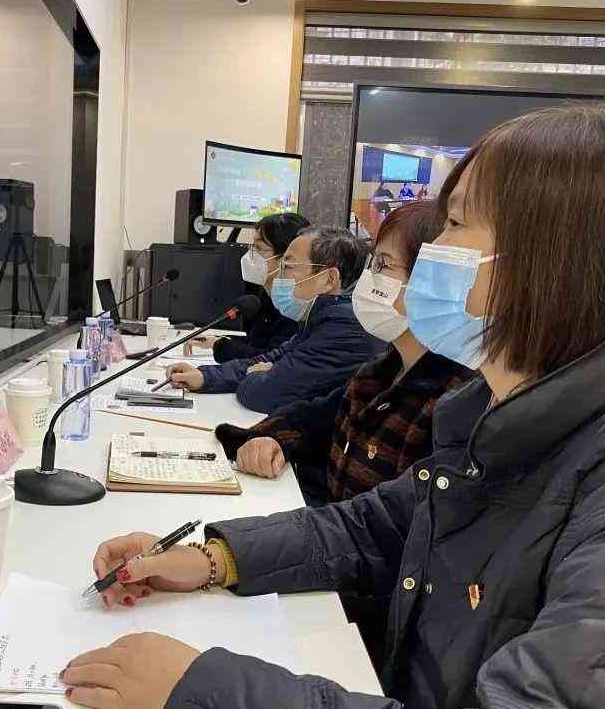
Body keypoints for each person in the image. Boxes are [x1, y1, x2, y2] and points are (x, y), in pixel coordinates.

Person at [62, 98, 605, 709]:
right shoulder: (512, 412)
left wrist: (201, 693)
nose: (433, 253)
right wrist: (211, 559)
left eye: (456, 224)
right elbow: (373, 528)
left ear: (555, 258)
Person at [215, 200, 473, 508]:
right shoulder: (381, 370)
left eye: (384, 265)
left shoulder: (451, 401)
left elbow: (380, 520)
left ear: (433, 282)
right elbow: (314, 416)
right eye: (371, 264)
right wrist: (272, 439)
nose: (369, 278)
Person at [165, 226, 386, 413]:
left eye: (288, 267)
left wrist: (266, 374)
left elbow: (265, 394)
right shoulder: (322, 314)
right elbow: (273, 357)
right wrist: (205, 376)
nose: (279, 276)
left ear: (329, 279)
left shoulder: (345, 327)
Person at [185, 212, 310, 363]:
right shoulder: (265, 295)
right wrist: (218, 340)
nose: (251, 255)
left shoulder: (294, 305)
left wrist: (220, 345)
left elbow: (271, 359)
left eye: (259, 248)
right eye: (252, 247)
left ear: (287, 257)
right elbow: (257, 343)